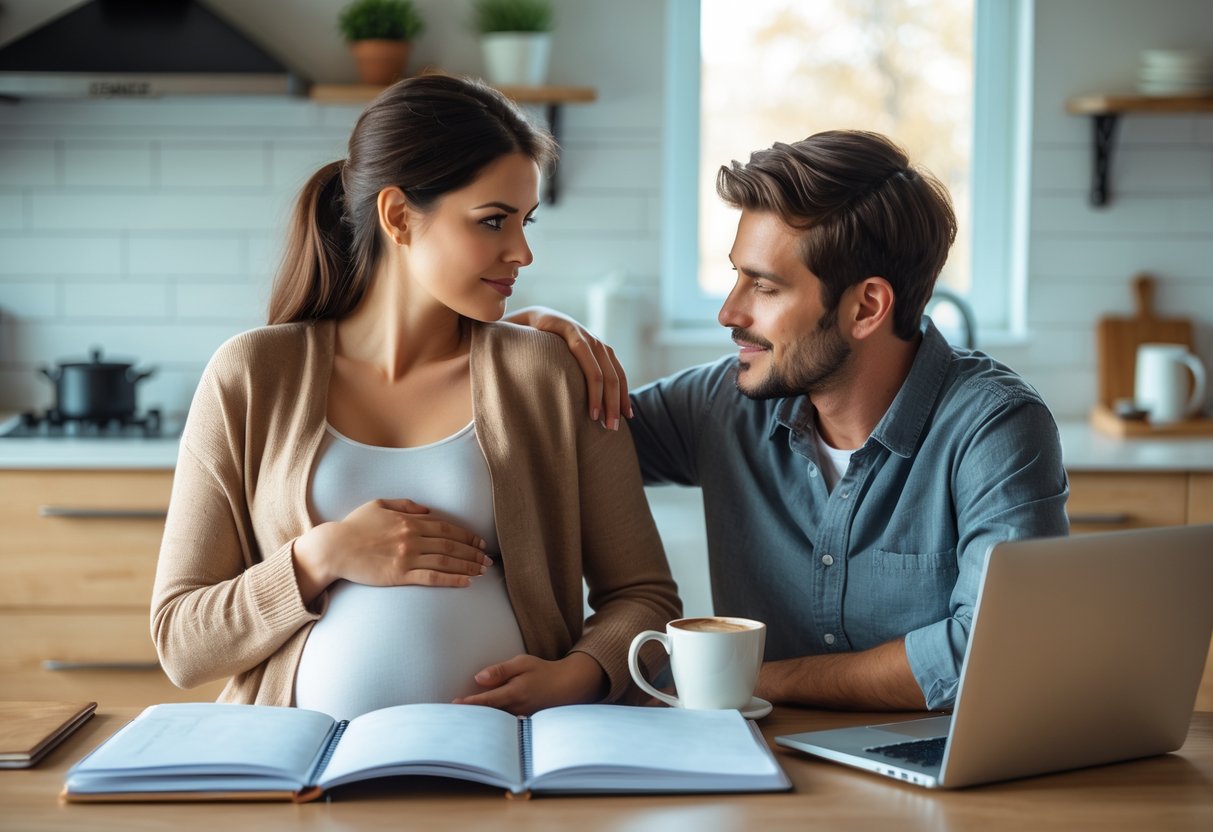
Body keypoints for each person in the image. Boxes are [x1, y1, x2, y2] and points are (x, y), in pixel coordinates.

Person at [150, 74, 681, 721]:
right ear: (399, 216)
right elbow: (182, 644)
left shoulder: (546, 373)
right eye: (493, 221)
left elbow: (645, 597)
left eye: (524, 221)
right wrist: (322, 555)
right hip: (302, 779)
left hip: (512, 768)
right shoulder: (253, 374)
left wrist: (578, 676)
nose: (522, 251)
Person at [514, 130, 1069, 712]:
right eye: (736, 276)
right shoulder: (721, 404)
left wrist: (758, 682)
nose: (730, 312)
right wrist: (536, 342)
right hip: (759, 766)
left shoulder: (996, 428)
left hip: (937, 776)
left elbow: (991, 650)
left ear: (867, 307)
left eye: (764, 286)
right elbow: (555, 441)